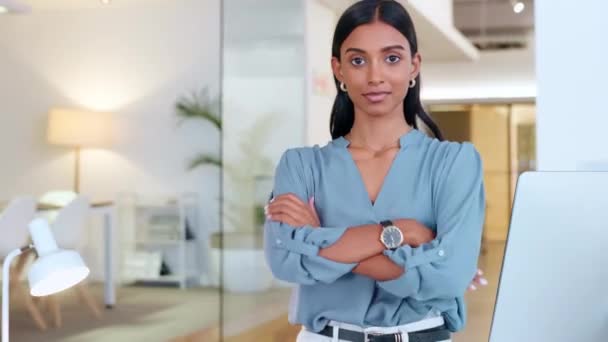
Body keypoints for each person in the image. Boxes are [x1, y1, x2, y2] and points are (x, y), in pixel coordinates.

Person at [264, 1, 486, 341]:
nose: (375, 76)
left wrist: (318, 238)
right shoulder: (301, 164)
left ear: (414, 65)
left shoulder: (455, 162)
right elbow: (284, 260)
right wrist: (398, 233)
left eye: (392, 58)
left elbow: (450, 277)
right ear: (338, 70)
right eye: (357, 60)